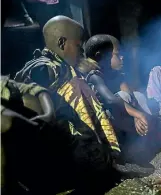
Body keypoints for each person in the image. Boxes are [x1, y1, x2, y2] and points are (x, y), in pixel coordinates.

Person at [14, 16, 122, 193]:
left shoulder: (58, 66)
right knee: (78, 87)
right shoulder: (43, 68)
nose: (80, 52)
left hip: (55, 146)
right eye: (79, 46)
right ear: (62, 43)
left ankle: (104, 163)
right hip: (44, 153)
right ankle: (100, 165)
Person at [78, 34, 152, 139]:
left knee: (137, 96)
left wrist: (136, 115)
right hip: (98, 119)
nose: (121, 57)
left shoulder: (108, 71)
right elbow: (110, 99)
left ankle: (145, 131)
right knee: (120, 98)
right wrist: (137, 114)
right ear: (99, 56)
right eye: (111, 55)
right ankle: (144, 134)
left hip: (114, 113)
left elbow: (131, 96)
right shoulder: (93, 75)